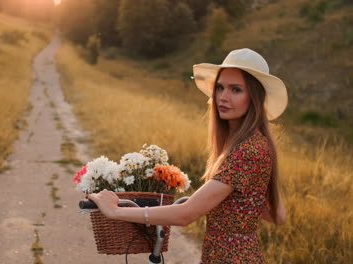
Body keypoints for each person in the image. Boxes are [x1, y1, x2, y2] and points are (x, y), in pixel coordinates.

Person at [88, 48, 287, 263]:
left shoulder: (247, 151)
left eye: (236, 90)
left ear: (254, 97)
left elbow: (185, 215)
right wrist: (233, 203)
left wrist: (115, 211)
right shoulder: (254, 143)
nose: (223, 97)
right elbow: (278, 215)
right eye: (220, 88)